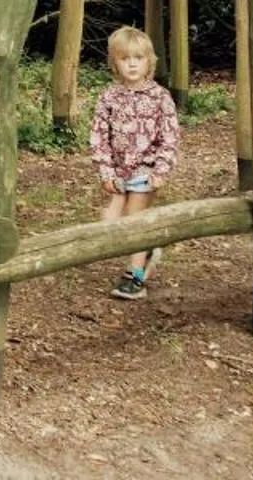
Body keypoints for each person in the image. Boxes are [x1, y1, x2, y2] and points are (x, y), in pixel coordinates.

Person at [89, 25, 180, 301]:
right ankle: (149, 247)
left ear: (148, 61)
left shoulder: (159, 97)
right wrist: (105, 171)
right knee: (109, 221)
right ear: (114, 62)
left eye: (138, 58)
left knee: (134, 219)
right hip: (118, 171)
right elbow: (98, 136)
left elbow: (170, 137)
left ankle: (136, 275)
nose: (131, 64)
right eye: (125, 58)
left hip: (146, 171)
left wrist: (161, 170)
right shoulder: (109, 97)